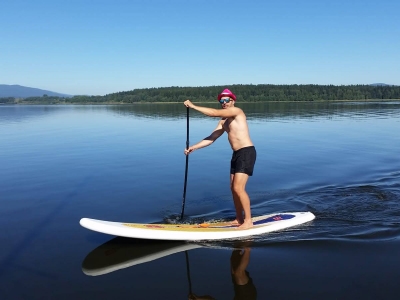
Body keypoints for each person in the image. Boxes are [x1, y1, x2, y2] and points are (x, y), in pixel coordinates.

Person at [183, 88, 256, 229]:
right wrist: (194, 147)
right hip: (236, 154)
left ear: (232, 101)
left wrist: (193, 106)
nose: (223, 102)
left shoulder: (237, 112)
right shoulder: (224, 122)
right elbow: (212, 138)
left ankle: (248, 221)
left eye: (226, 100)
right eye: (221, 100)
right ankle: (239, 219)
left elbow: (214, 113)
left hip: (247, 152)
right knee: (233, 188)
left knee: (238, 188)